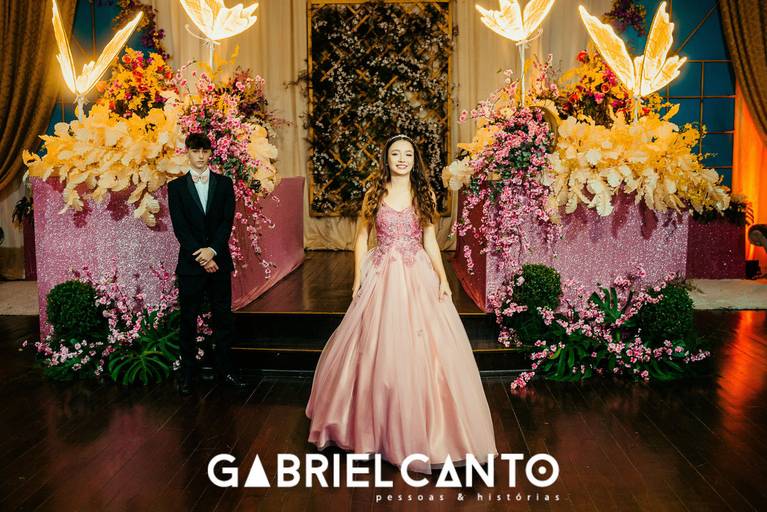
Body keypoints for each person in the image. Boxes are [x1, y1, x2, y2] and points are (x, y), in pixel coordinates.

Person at [305, 134, 498, 474]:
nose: (402, 159)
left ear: (414, 159)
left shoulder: (423, 194)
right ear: (387, 159)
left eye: (407, 154)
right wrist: (357, 278)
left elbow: (430, 240)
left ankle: (423, 430)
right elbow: (361, 238)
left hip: (415, 272)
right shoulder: (374, 193)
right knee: (375, 347)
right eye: (395, 153)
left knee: (424, 348)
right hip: (381, 273)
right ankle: (373, 430)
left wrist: (442, 278)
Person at [167, 132, 247, 395]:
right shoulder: (175, 187)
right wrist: (201, 256)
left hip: (219, 261)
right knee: (188, 320)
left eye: (204, 151)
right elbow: (180, 228)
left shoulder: (224, 183)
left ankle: (226, 370)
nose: (200, 156)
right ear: (187, 153)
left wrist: (212, 251)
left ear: (211, 153)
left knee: (223, 319)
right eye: (195, 151)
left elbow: (226, 222)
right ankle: (188, 374)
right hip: (191, 266)